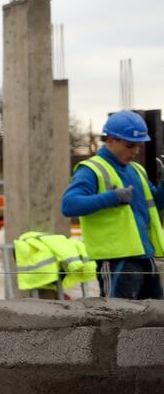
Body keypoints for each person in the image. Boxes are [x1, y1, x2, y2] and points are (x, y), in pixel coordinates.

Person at [61, 111, 164, 299]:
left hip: (144, 256)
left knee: (155, 319)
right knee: (118, 320)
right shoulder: (92, 170)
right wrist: (112, 198)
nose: (135, 151)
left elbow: (154, 205)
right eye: (129, 145)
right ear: (110, 140)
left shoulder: (136, 170)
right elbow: (69, 205)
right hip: (117, 260)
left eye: (138, 146)